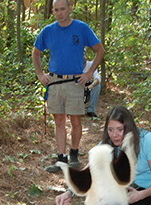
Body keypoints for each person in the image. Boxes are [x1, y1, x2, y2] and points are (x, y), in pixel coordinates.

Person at [56, 106, 151, 205]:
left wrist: (139, 195)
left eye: (120, 129)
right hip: (123, 188)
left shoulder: (148, 140)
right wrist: (69, 192)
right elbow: (88, 172)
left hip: (148, 191)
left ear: (129, 127)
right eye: (110, 129)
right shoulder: (107, 145)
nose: (115, 135)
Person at [32, 0, 105, 173]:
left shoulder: (81, 28)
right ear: (53, 11)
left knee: (75, 120)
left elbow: (99, 50)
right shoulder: (48, 31)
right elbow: (36, 53)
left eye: (63, 9)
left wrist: (89, 73)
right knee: (58, 121)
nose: (59, 13)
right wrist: (40, 74)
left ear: (70, 9)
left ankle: (74, 154)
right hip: (55, 82)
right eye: (56, 10)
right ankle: (60, 158)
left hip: (75, 82)